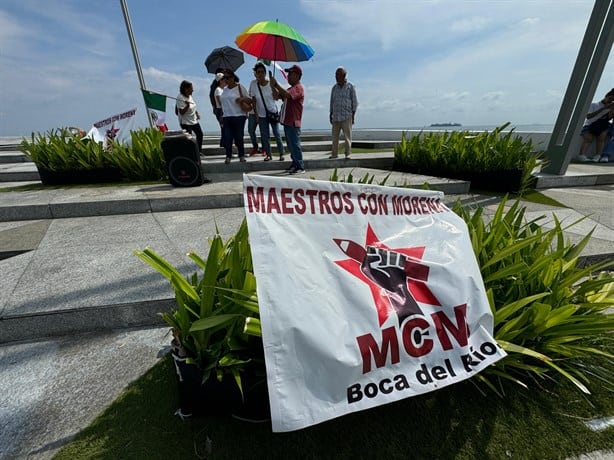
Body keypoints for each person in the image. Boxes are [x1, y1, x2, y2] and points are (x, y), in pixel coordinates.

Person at [270, 65, 305, 174]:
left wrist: (276, 84)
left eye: (290, 74)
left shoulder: (298, 88)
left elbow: (287, 95)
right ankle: (295, 163)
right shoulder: (291, 88)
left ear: (297, 75)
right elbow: (277, 96)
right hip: (287, 121)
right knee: (290, 144)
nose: (288, 76)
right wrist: (272, 86)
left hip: (293, 121)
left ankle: (300, 166)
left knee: (295, 144)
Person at [249, 62, 285, 162]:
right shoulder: (253, 84)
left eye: (262, 72)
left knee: (277, 134)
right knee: (265, 136)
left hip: (272, 112)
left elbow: (276, 97)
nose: (260, 74)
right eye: (258, 72)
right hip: (261, 114)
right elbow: (254, 100)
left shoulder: (270, 83)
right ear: (255, 74)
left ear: (265, 73)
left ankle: (281, 153)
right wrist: (256, 115)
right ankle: (268, 155)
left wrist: (273, 85)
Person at [219, 71, 251, 164]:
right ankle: (228, 156)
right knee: (228, 137)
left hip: (239, 116)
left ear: (233, 78)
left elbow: (250, 100)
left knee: (239, 137)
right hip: (227, 117)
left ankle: (241, 155)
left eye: (228, 77)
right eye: (225, 78)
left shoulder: (240, 87)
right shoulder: (224, 90)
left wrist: (241, 99)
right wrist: (222, 115)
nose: (226, 80)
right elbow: (223, 104)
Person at [577, 88, 614, 162]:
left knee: (602, 137)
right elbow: (588, 116)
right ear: (606, 96)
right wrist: (603, 109)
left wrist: (611, 111)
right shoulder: (594, 105)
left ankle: (598, 156)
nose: (610, 101)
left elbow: (608, 119)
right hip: (590, 125)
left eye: (612, 100)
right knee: (589, 138)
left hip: (602, 126)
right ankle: (581, 155)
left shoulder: (610, 108)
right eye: (609, 98)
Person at [329, 66, 358, 159]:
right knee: (334, 137)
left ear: (344, 75)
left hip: (347, 115)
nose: (336, 77)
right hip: (336, 115)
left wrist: (353, 114)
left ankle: (348, 153)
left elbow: (354, 101)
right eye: (336, 75)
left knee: (347, 136)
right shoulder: (334, 88)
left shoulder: (350, 86)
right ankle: (334, 154)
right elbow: (332, 101)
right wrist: (331, 113)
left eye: (338, 75)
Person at [176, 80, 203, 153]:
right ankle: (190, 153)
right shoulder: (180, 98)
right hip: (185, 121)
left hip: (194, 120)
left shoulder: (190, 96)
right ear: (186, 89)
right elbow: (181, 112)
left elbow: (193, 106)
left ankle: (199, 151)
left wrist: (197, 113)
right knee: (189, 139)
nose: (193, 90)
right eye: (191, 88)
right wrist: (187, 105)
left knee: (200, 134)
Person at [212, 72, 225, 147]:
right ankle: (223, 144)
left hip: (223, 110)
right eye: (224, 79)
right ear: (220, 81)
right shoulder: (218, 90)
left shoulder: (223, 89)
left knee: (225, 128)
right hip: (221, 110)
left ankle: (223, 143)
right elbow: (220, 102)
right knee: (224, 127)